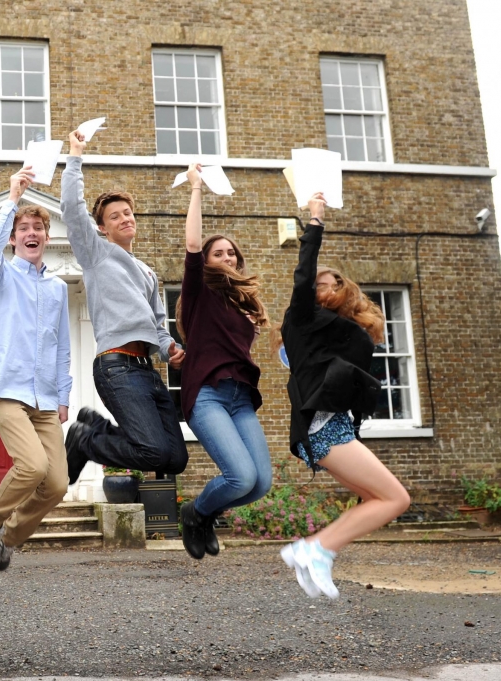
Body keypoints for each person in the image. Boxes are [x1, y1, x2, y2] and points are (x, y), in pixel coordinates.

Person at [277, 193, 411, 599]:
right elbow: (304, 274)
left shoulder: (340, 331)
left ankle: (315, 552)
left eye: (326, 282)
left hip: (330, 426)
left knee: (379, 497)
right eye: (314, 283)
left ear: (342, 287)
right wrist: (315, 220)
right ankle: (315, 549)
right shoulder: (302, 318)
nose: (317, 287)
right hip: (322, 427)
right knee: (395, 498)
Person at [60, 129, 187, 484]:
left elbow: (159, 327)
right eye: (115, 216)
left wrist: (170, 350)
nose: (125, 218)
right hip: (117, 368)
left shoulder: (148, 272)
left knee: (175, 458)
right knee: (153, 452)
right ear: (102, 227)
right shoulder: (97, 254)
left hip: (146, 370)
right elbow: (71, 209)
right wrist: (75, 156)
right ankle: (86, 440)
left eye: (128, 213)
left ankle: (95, 428)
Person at [0, 166, 71, 572]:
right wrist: (12, 198)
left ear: (47, 237)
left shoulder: (59, 288)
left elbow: (63, 345)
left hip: (45, 397)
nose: (32, 233)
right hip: (5, 392)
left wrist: (64, 397)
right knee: (32, 466)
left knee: (57, 484)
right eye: (24, 228)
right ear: (15, 238)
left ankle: (8, 537)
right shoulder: (0, 276)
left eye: (38, 227)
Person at [176, 164, 272, 560]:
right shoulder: (200, 292)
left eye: (232, 252)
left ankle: (205, 513)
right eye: (220, 252)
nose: (227, 256)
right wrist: (196, 188)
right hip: (208, 397)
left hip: (240, 398)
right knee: (241, 475)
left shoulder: (241, 304)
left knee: (260, 484)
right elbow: (194, 245)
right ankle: (194, 513)